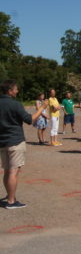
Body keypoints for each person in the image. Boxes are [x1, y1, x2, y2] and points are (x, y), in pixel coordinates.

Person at [0, 80, 48, 209]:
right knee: (13, 172)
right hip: (15, 141)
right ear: (10, 91)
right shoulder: (15, 104)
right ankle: (11, 201)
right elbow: (30, 120)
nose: (17, 91)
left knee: (7, 171)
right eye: (15, 89)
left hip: (2, 142)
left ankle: (9, 196)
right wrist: (42, 108)